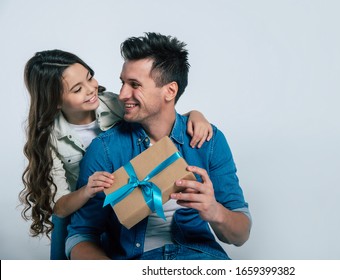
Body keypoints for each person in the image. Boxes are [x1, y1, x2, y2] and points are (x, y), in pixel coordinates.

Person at [66, 32, 251, 260]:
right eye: (122, 82)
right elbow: (80, 235)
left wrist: (215, 211)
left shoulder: (208, 141)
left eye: (135, 85)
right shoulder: (105, 149)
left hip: (200, 257)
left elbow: (240, 234)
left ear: (170, 91)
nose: (123, 94)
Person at [19, 49, 213, 260]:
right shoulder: (49, 139)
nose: (90, 89)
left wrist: (195, 114)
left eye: (89, 77)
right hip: (77, 207)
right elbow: (60, 207)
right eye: (77, 89)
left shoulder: (112, 103)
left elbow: (158, 115)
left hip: (122, 197)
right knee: (66, 252)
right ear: (55, 101)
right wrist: (87, 191)